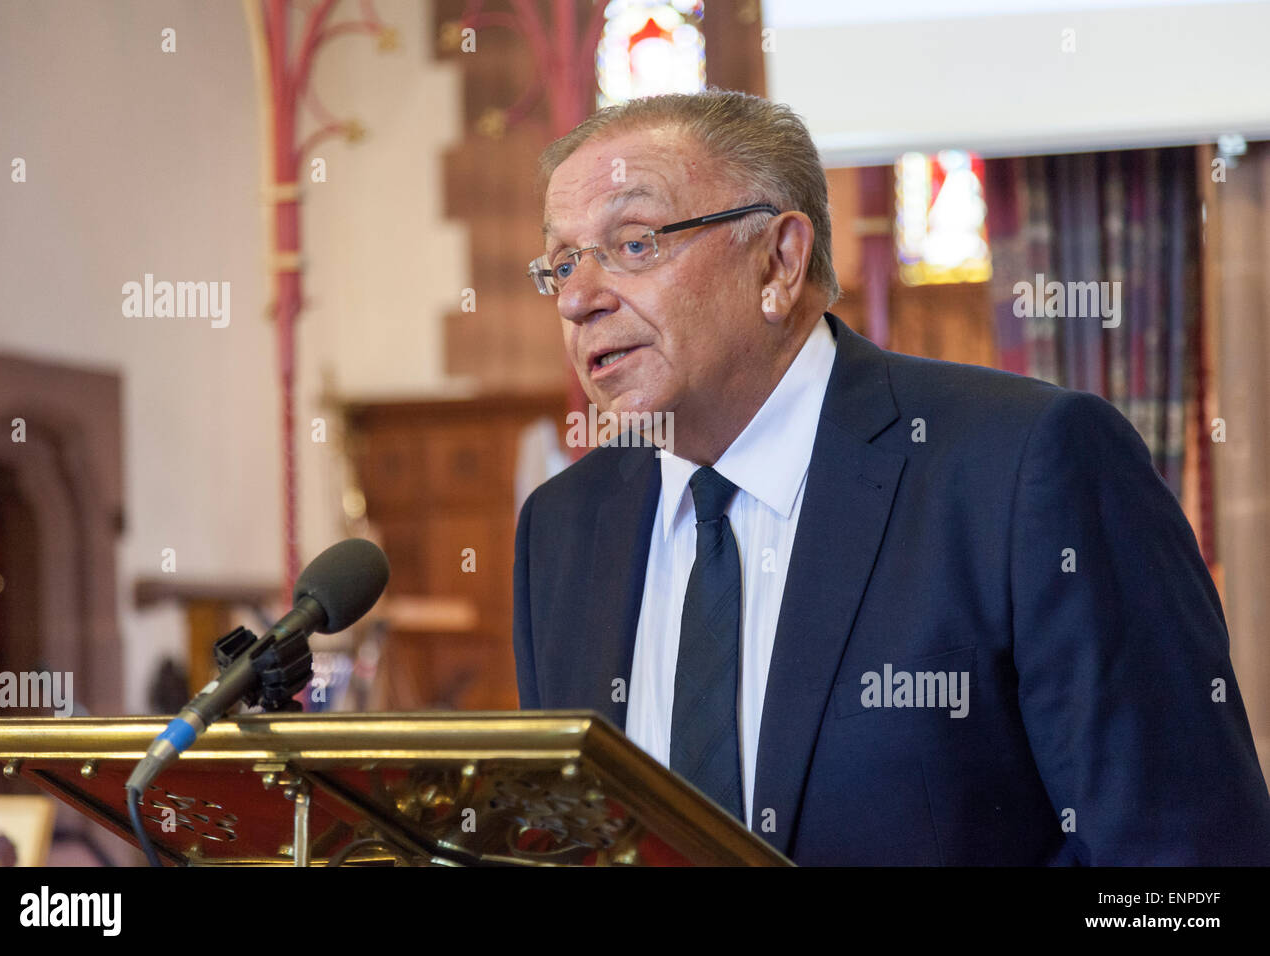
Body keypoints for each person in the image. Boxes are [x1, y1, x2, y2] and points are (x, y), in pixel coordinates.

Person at [511, 89, 1270, 864]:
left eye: (634, 244)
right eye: (562, 262)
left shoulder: (1026, 467)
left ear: (779, 259)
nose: (577, 299)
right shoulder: (562, 527)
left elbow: (1187, 875)